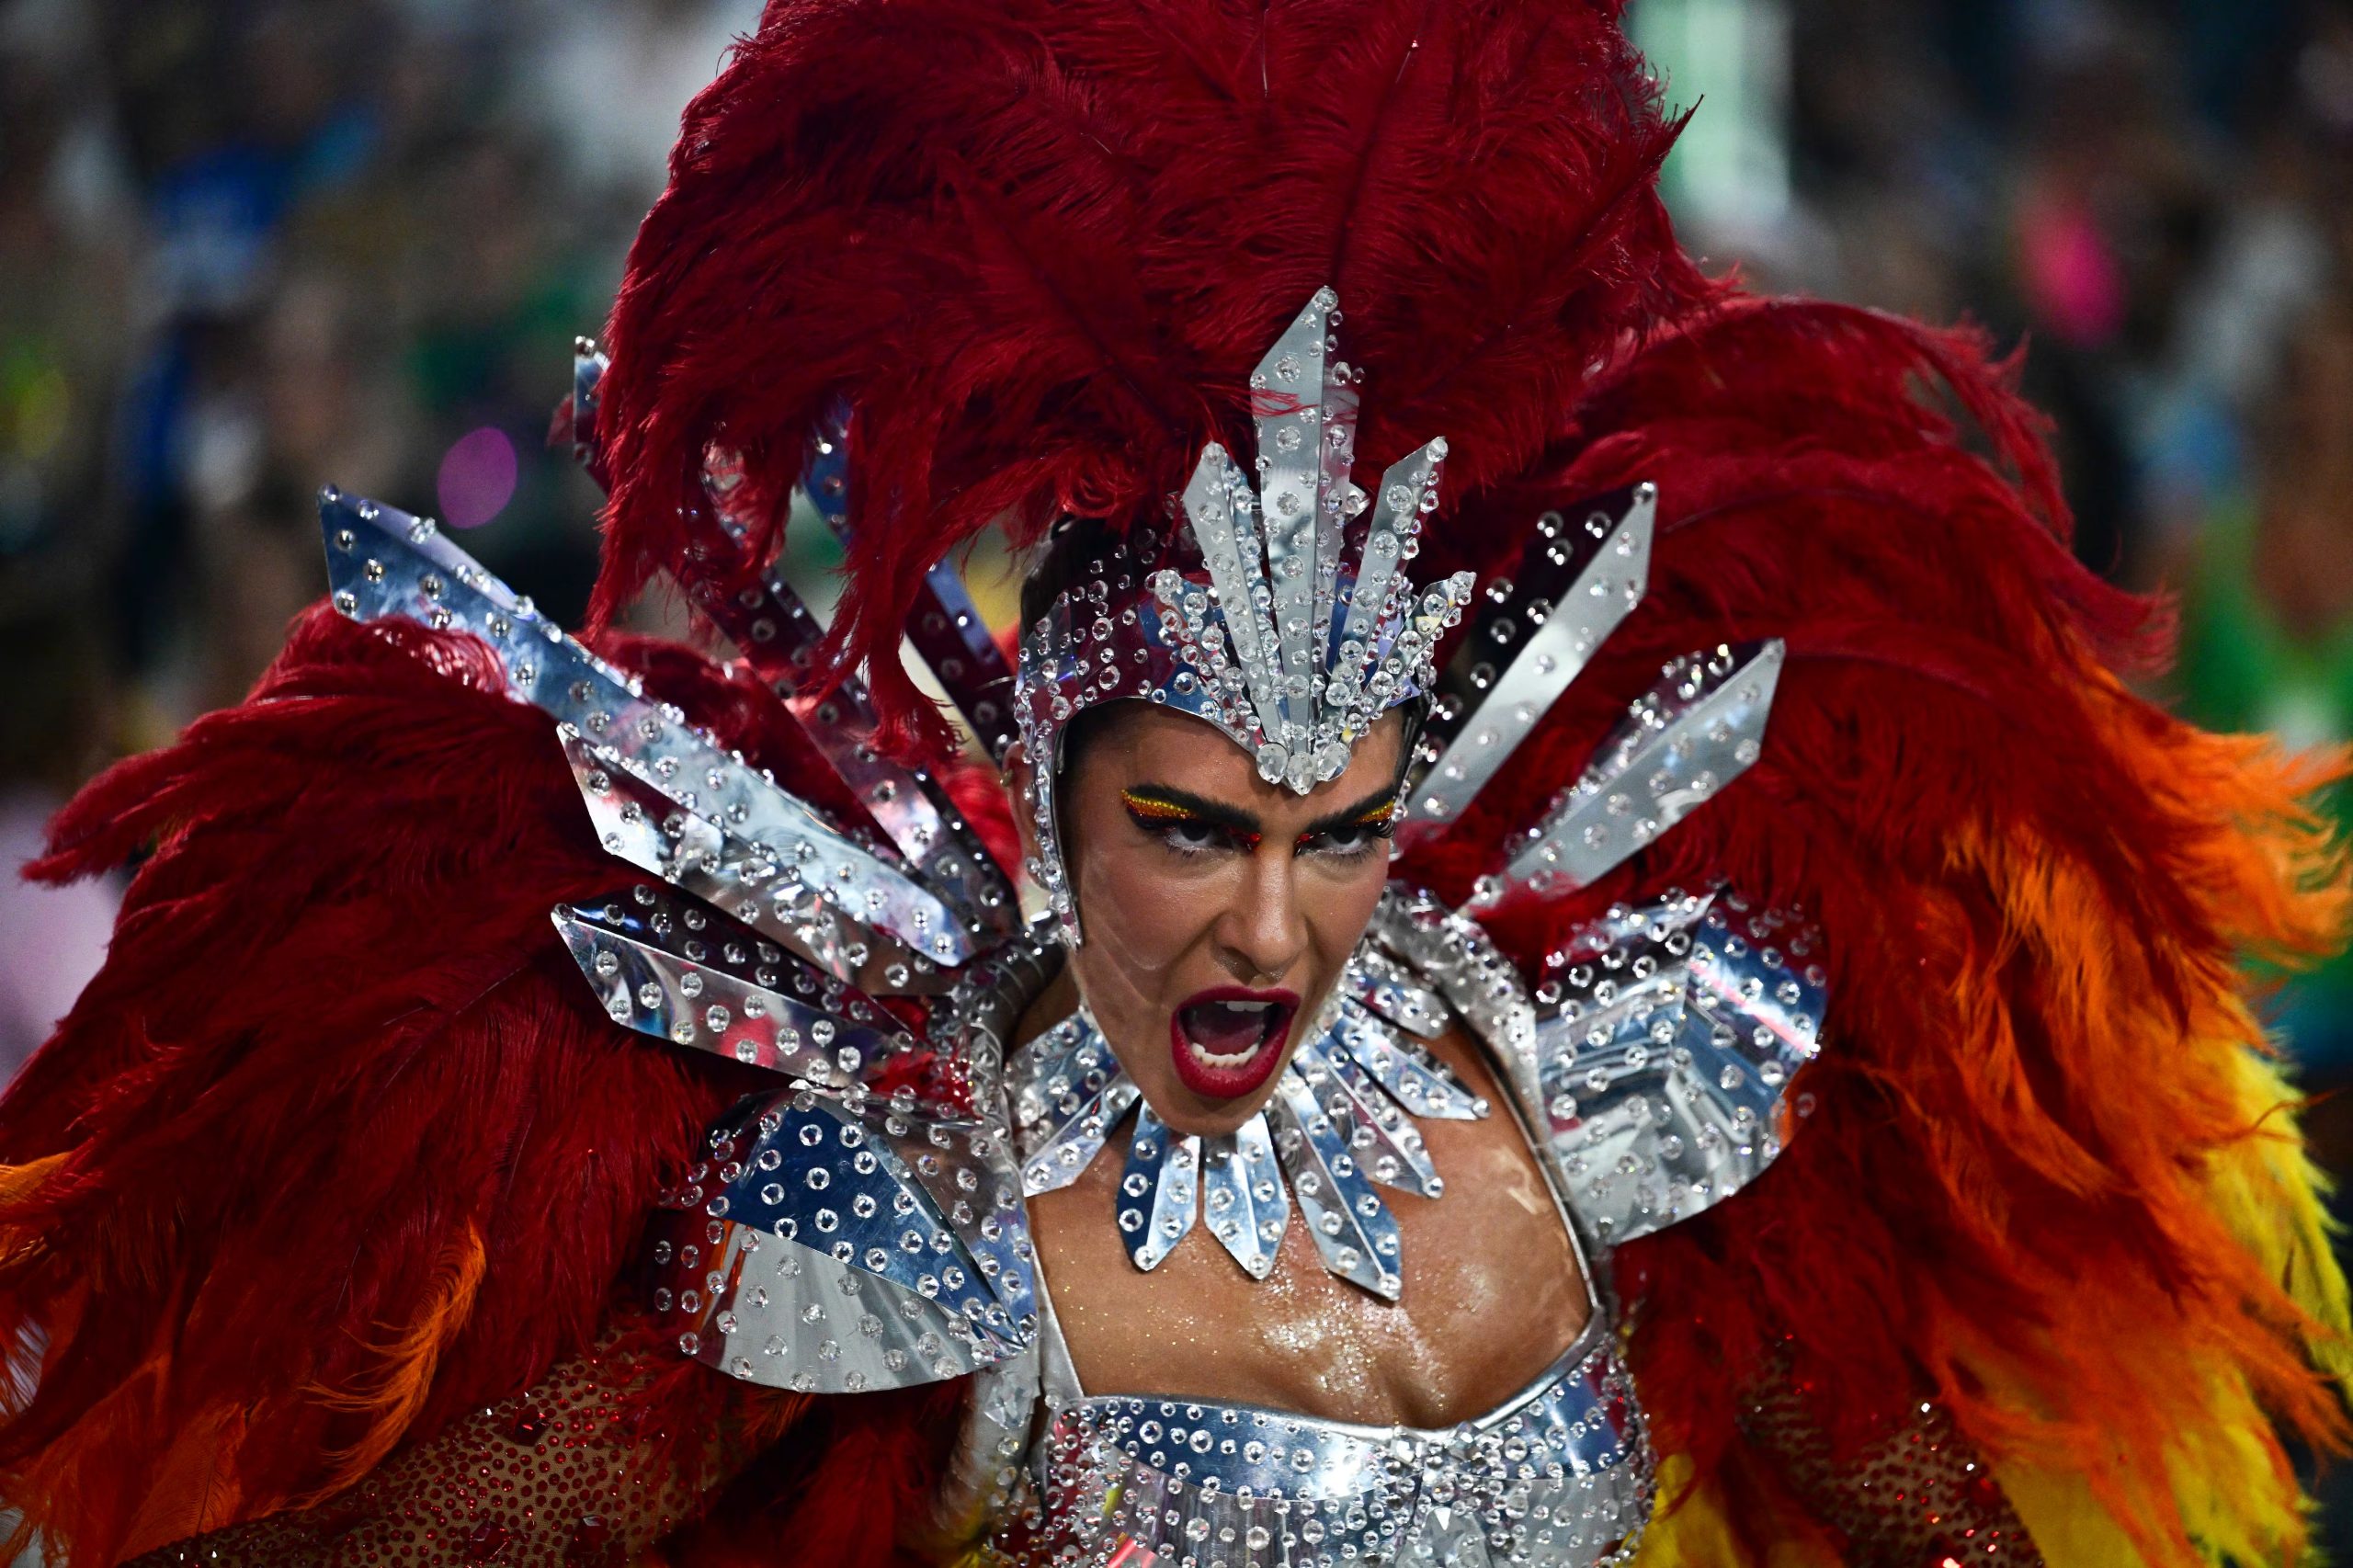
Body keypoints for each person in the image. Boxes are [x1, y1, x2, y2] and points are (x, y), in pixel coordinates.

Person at [3, 1, 2347, 1564]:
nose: (1268, 933)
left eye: (1342, 837)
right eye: (1191, 831)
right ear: (1045, 776)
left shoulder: (1597, 1095)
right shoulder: (909, 1194)